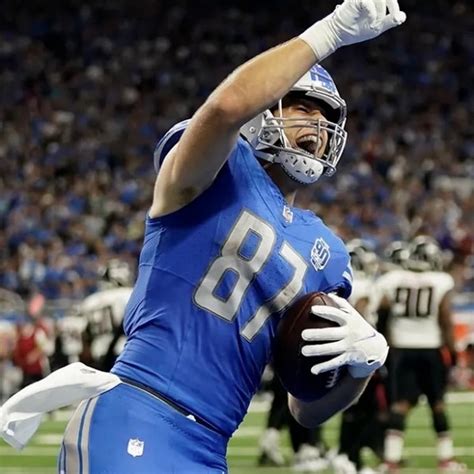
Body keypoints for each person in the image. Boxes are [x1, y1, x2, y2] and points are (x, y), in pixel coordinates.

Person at [50, 1, 402, 472]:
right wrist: (331, 32)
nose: (317, 126)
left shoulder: (329, 256)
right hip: (140, 409)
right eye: (303, 107)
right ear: (264, 112)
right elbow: (224, 110)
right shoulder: (220, 170)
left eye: (326, 118)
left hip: (211, 445)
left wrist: (362, 367)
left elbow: (306, 409)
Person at [378, 236, 467, 473]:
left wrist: (384, 344)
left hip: (401, 348)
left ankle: (391, 460)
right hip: (430, 348)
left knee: (399, 405)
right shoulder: (441, 281)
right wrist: (453, 351)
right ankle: (446, 460)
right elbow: (445, 318)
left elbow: (383, 313)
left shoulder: (393, 279)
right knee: (437, 404)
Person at [332, 240, 388, 474]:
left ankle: (347, 456)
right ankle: (350, 455)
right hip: (361, 350)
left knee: (351, 408)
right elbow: (362, 311)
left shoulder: (338, 283)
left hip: (342, 349)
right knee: (370, 408)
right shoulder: (366, 286)